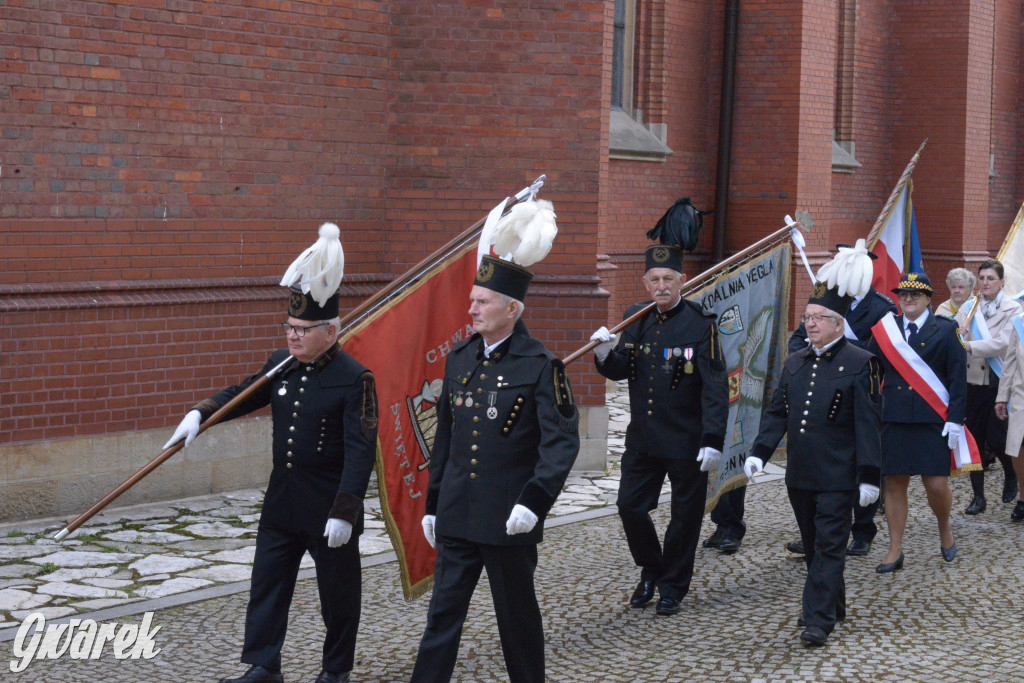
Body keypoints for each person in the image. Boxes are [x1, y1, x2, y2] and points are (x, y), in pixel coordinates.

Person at [164, 224, 377, 683]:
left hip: (329, 505)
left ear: (331, 330)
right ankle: (264, 666)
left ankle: (335, 671)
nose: (293, 337)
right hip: (284, 498)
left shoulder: (355, 378)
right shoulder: (281, 365)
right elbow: (243, 394)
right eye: (289, 327)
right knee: (268, 584)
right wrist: (200, 415)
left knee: (338, 595)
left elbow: (362, 451)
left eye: (302, 330)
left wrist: (346, 510)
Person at [412, 251, 580, 683]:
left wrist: (534, 501)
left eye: (482, 302)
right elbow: (445, 439)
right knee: (441, 620)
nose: (472, 310)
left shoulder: (541, 365)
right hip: (457, 514)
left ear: (511, 309)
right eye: (472, 300)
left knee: (516, 621)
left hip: (508, 521)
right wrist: (433, 503)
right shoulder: (461, 357)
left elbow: (561, 442)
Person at [744, 241, 882, 647]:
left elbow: (869, 426)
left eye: (819, 318)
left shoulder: (860, 363)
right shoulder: (795, 362)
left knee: (827, 547)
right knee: (814, 546)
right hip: (801, 475)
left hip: (839, 477)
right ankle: (834, 604)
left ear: (839, 324)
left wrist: (869, 477)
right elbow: (776, 414)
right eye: (806, 317)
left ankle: (816, 621)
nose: (810, 324)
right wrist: (758, 453)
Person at [590, 242, 729, 616]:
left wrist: (713, 439)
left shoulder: (701, 324)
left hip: (687, 440)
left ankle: (673, 587)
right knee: (629, 507)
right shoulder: (635, 318)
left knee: (685, 519)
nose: (661, 286)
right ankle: (652, 568)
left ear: (682, 280)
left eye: (669, 278)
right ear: (645, 282)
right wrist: (604, 353)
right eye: (655, 279)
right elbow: (623, 367)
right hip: (645, 438)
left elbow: (716, 385)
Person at [782, 245, 896, 558]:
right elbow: (797, 339)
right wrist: (810, 348)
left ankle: (862, 531)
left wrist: (851, 351)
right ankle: (823, 536)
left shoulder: (881, 308)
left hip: (862, 393)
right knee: (827, 471)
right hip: (823, 391)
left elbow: (888, 353)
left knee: (865, 461)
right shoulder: (825, 301)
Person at [868, 272, 966, 573]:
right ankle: (895, 550)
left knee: (936, 485)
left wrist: (956, 421)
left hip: (932, 420)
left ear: (928, 298)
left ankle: (944, 526)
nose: (907, 299)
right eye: (903, 294)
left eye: (915, 294)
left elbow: (958, 380)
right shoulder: (886, 330)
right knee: (895, 484)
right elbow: (872, 374)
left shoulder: (946, 330)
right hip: (895, 418)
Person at [955, 259, 1021, 514]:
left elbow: (1004, 343)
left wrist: (969, 345)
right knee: (974, 440)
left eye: (990, 278)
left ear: (1002, 282)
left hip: (998, 382)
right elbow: (956, 334)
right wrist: (957, 333)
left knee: (997, 439)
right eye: (981, 278)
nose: (985, 283)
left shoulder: (1013, 309)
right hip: (972, 382)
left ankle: (1011, 473)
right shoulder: (970, 307)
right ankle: (978, 497)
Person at [993, 312, 1024, 522]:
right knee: (1019, 448)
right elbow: (1010, 361)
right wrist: (1002, 396)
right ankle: (1023, 497)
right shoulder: (1020, 322)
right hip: (1022, 399)